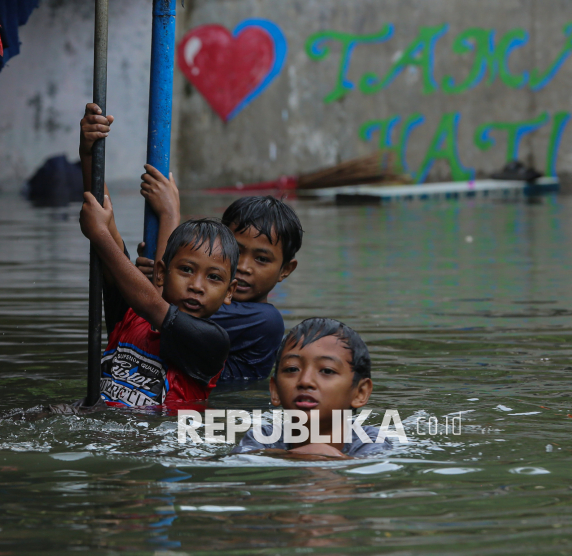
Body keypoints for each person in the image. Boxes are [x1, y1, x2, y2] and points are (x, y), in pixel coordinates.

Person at [79, 105, 239, 408]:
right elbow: (104, 219)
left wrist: (99, 234)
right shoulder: (129, 317)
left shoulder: (212, 343)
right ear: (163, 273)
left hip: (157, 444)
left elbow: (153, 303)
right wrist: (89, 154)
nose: (197, 286)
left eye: (214, 278)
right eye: (187, 270)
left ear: (230, 292)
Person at [136, 189, 302, 382]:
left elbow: (160, 311)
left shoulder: (265, 320)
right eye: (236, 253)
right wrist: (156, 271)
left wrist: (169, 216)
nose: (243, 267)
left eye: (262, 259)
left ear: (286, 270)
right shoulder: (202, 297)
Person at [232, 317, 392, 458]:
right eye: (292, 369)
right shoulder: (263, 437)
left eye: (327, 371)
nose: (305, 381)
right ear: (275, 390)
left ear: (360, 393)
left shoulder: (370, 441)